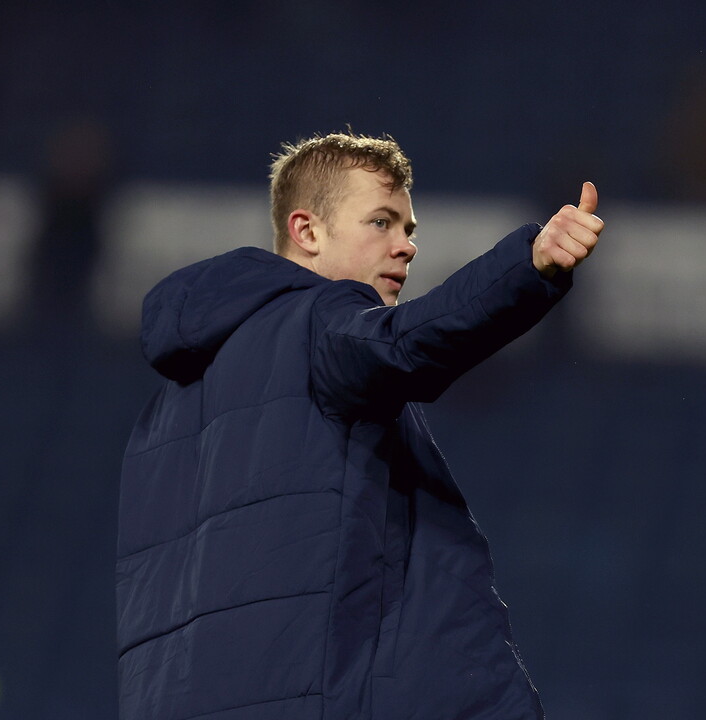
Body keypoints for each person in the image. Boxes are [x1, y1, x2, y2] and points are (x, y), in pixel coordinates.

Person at [116, 132, 603, 719]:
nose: (406, 246)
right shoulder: (318, 324)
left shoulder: (160, 417)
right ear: (307, 231)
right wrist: (529, 265)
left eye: (409, 229)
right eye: (381, 222)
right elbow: (409, 343)